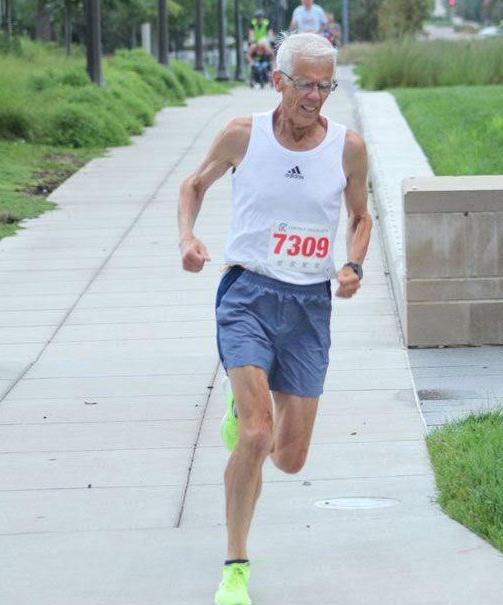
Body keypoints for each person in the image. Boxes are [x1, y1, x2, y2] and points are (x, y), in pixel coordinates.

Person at [177, 32, 371, 605]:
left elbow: (362, 217)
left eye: (326, 84)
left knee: (288, 457)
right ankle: (235, 566)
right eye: (306, 83)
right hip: (248, 294)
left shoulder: (347, 148)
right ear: (277, 80)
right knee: (258, 435)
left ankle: (243, 411)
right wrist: (188, 237)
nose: (316, 95)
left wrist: (354, 263)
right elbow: (193, 185)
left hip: (310, 306)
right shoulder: (244, 135)